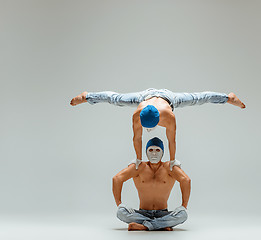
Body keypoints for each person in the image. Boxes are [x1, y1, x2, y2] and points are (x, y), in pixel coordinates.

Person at [70, 88, 245, 168]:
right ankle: (87, 96)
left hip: (169, 97)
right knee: (116, 99)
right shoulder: (137, 114)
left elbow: (171, 139)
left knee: (199, 98)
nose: (148, 131)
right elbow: (136, 138)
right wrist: (138, 159)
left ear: (159, 120)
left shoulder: (168, 116)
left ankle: (228, 98)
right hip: (144, 96)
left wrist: (173, 160)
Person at [112, 137, 191, 231]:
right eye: (151, 150)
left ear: (162, 152)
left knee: (183, 215)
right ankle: (161, 225)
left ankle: (144, 226)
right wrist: (119, 203)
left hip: (163, 213)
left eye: (158, 150)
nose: (154, 153)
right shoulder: (139, 167)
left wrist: (184, 206)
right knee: (121, 212)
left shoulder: (168, 167)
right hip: (142, 213)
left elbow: (186, 180)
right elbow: (117, 179)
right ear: (146, 152)